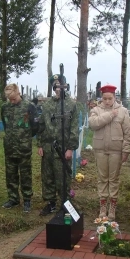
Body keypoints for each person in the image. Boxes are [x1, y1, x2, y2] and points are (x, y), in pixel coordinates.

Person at [37, 73, 79, 216]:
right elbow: (41, 125)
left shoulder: (71, 104)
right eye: (55, 85)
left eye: (59, 84)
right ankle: (51, 203)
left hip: (62, 148)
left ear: (64, 85)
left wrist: (71, 148)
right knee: (48, 177)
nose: (57, 88)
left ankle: (65, 203)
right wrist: (40, 144)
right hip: (48, 147)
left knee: (62, 178)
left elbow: (74, 128)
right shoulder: (47, 104)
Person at [89, 84, 130, 220]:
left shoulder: (123, 111)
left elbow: (128, 132)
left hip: (116, 150)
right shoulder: (96, 109)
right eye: (105, 98)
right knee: (102, 178)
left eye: (110, 98)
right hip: (100, 149)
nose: (107, 101)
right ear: (101, 98)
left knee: (113, 179)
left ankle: (112, 206)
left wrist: (126, 150)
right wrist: (109, 115)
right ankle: (103, 205)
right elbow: (93, 124)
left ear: (115, 97)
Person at [1, 84, 39, 212]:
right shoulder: (5, 107)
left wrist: (25, 136)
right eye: (9, 99)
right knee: (10, 174)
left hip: (24, 147)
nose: (12, 101)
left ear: (18, 93)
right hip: (9, 147)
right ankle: (13, 198)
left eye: (13, 98)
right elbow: (5, 124)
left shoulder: (29, 107)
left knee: (25, 174)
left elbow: (35, 127)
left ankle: (27, 199)